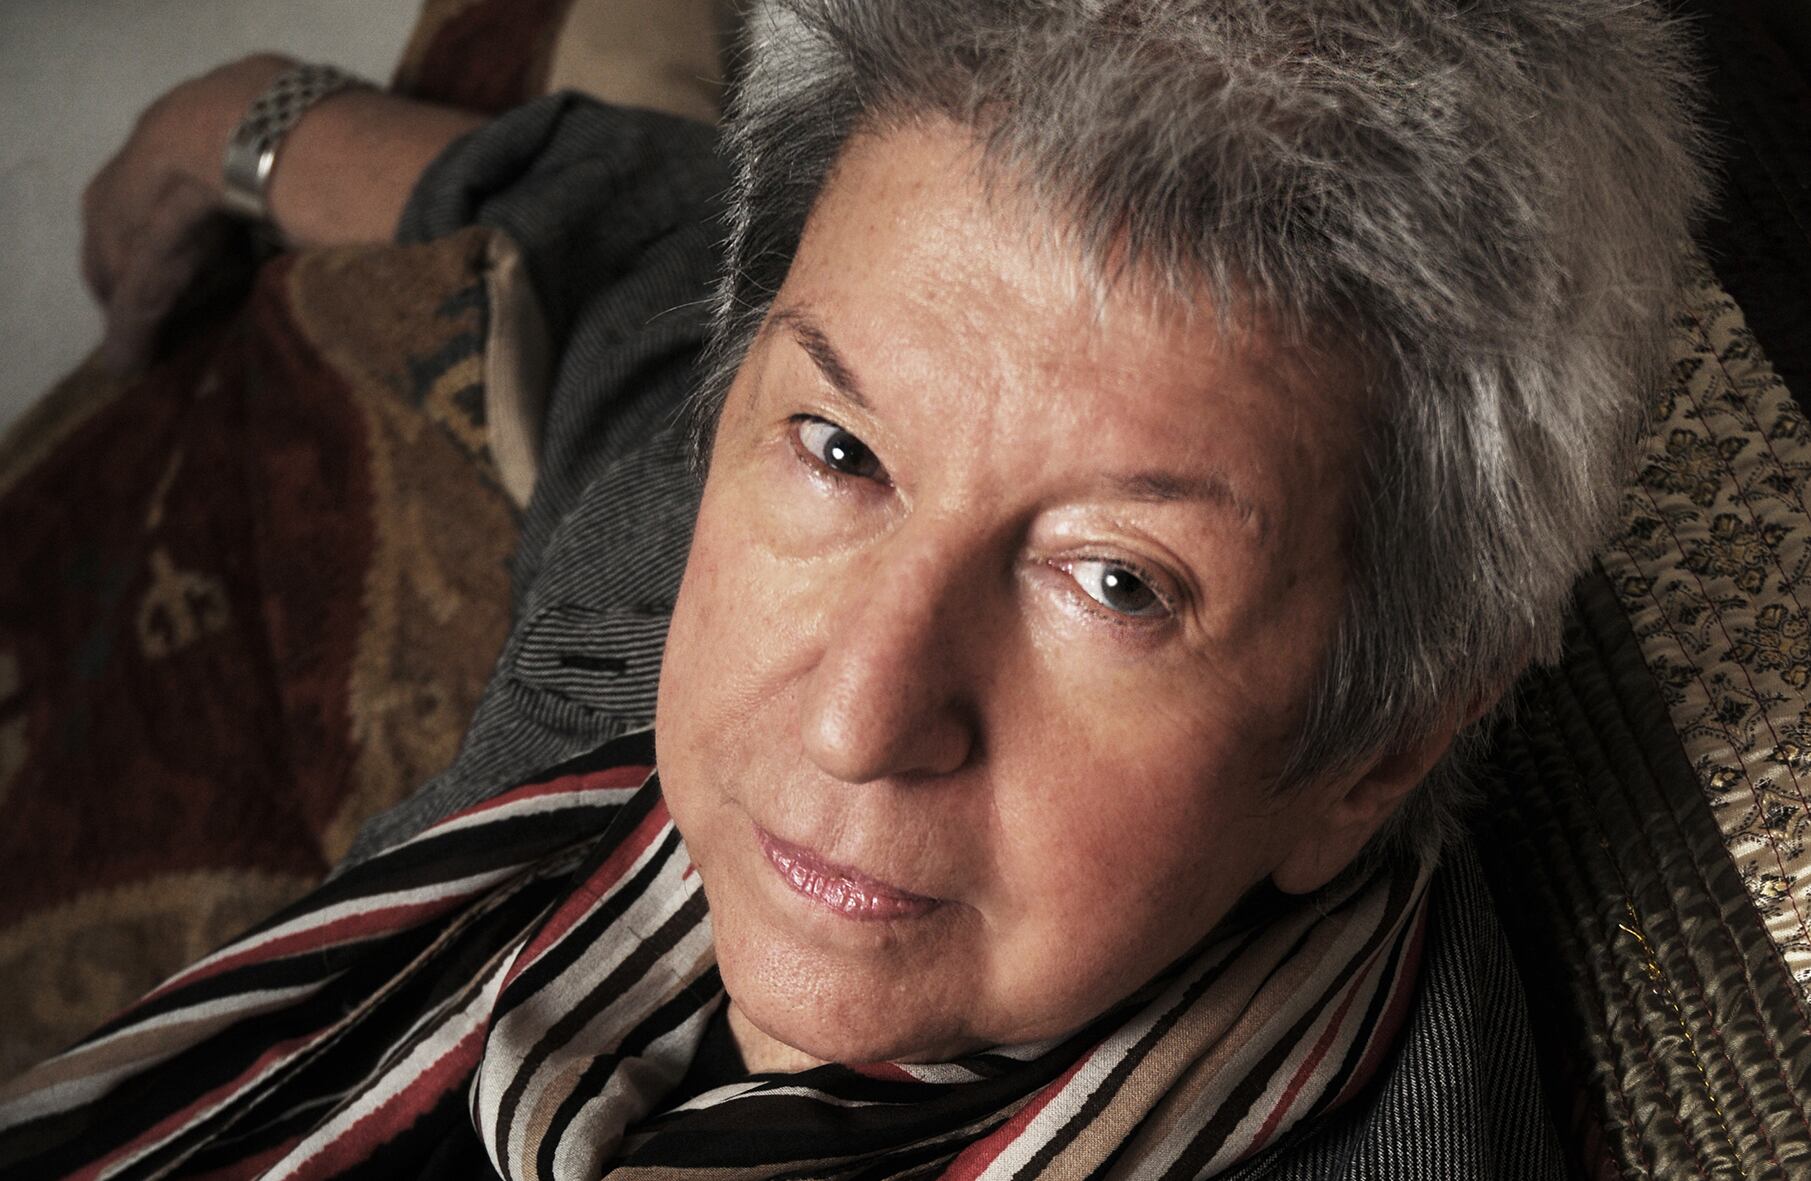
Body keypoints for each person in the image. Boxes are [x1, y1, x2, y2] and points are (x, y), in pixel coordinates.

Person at [0, 0, 1709, 1177]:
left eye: (1118, 581)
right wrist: (238, 124)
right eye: (842, 453)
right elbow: (625, 223)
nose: (853, 713)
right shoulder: (675, 525)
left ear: (1379, 748)